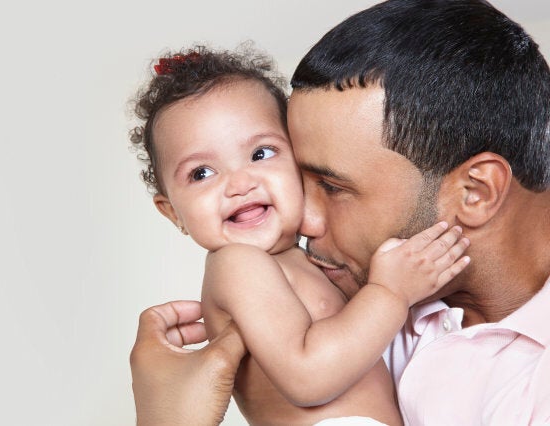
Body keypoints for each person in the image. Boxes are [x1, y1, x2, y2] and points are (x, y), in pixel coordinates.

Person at [129, 0, 550, 424]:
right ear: (171, 211)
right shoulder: (364, 288)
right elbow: (307, 372)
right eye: (201, 173)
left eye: (332, 187)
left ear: (475, 192)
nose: (306, 223)